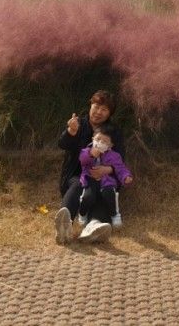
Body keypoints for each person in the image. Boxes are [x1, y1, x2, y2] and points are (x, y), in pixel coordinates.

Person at [55, 90, 125, 244]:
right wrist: (71, 131)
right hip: (77, 174)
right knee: (79, 185)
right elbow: (62, 144)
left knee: (104, 190)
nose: (98, 112)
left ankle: (94, 226)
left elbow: (121, 160)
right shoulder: (77, 123)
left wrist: (108, 169)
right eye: (96, 106)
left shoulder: (113, 132)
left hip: (105, 177)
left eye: (104, 109)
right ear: (91, 105)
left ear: (109, 114)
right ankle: (64, 224)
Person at [77, 125, 133, 242]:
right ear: (93, 139)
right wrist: (92, 154)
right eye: (97, 139)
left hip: (106, 181)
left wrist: (126, 177)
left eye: (104, 141)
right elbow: (82, 160)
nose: (100, 143)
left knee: (109, 194)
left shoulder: (115, 156)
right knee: (88, 197)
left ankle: (114, 214)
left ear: (110, 145)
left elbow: (120, 168)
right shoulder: (86, 151)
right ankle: (82, 214)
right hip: (90, 179)